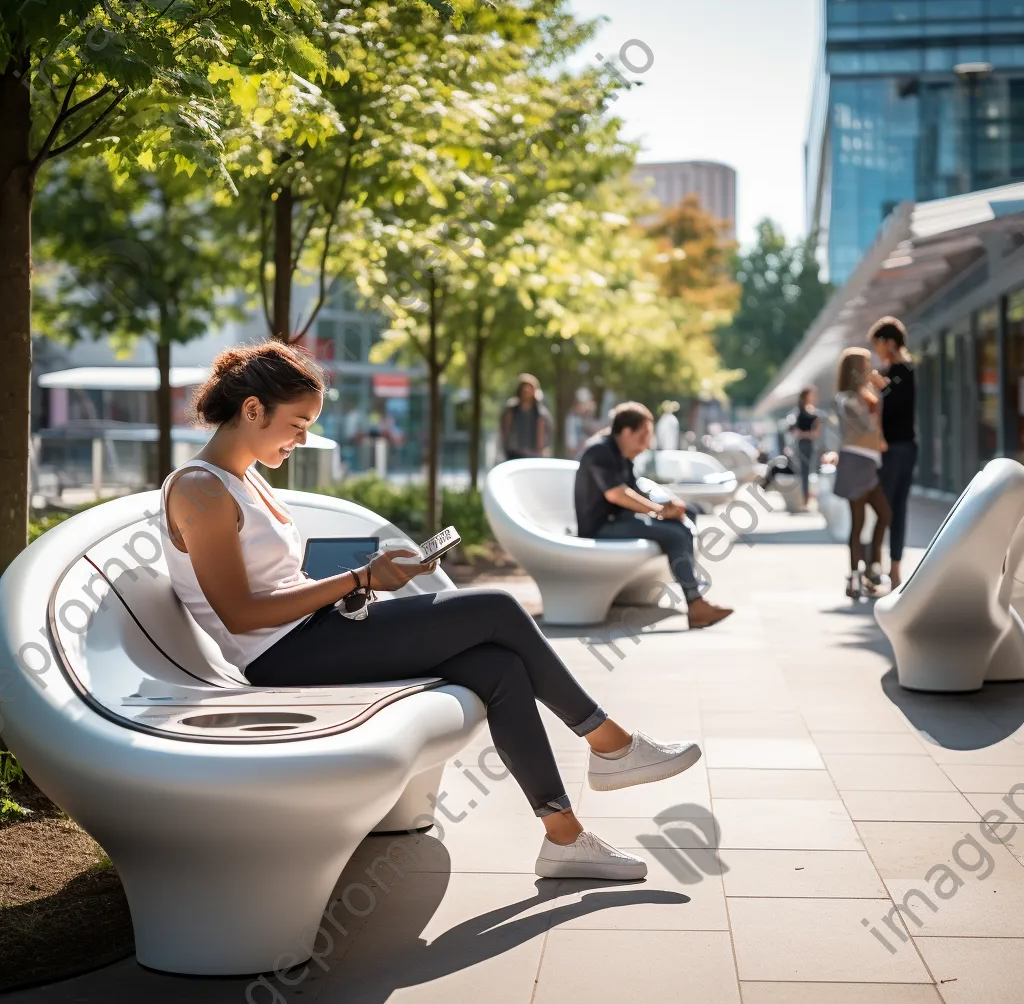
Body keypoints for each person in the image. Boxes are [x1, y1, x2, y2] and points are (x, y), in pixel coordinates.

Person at [160, 341, 703, 882]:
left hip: (313, 635)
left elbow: (279, 585)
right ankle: (611, 744)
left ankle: (564, 838)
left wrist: (360, 586)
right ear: (253, 409)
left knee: (500, 668)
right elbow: (240, 614)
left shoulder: (246, 477)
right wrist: (358, 579)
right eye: (297, 424)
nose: (303, 439)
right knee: (496, 607)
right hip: (281, 655)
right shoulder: (200, 490)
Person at [574, 402, 733, 629]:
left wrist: (669, 506)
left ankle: (694, 595)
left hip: (621, 521)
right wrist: (658, 510)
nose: (647, 444)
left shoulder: (620, 454)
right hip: (600, 528)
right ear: (626, 431)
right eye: (643, 436)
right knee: (675, 534)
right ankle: (695, 603)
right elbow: (616, 494)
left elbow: (636, 491)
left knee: (686, 519)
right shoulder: (599, 451)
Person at [833, 348, 892, 600]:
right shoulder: (847, 399)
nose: (871, 369)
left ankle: (871, 567)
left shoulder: (863, 396)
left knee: (883, 514)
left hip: (868, 463)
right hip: (855, 464)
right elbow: (867, 428)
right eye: (866, 364)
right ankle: (856, 575)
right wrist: (878, 400)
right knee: (858, 522)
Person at [870, 316, 917, 589]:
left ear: (889, 343)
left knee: (888, 509)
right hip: (899, 449)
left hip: (897, 449)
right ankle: (885, 566)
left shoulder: (902, 371)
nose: (877, 351)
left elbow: (894, 404)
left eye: (878, 345)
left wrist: (879, 386)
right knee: (890, 509)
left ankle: (889, 566)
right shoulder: (893, 373)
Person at [500, 374, 552, 460]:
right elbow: (505, 431)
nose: (526, 393)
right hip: (514, 454)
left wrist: (540, 450)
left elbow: (544, 434)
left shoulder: (540, 413)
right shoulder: (511, 410)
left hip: (534, 455)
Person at [788, 386, 822, 509]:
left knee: (815, 471)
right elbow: (794, 431)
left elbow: (817, 433)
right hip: (803, 445)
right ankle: (805, 499)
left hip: (814, 445)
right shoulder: (799, 412)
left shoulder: (815, 412)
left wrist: (806, 434)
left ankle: (813, 497)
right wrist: (807, 434)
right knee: (804, 471)